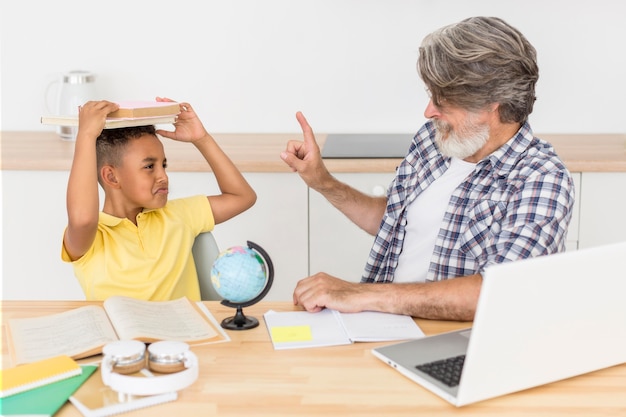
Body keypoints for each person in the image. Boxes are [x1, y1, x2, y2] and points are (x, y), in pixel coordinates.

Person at [280, 16, 575, 321]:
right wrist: (322, 181)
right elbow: (395, 222)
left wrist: (360, 293)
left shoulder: (541, 178)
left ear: (492, 104)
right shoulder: (435, 139)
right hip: (383, 322)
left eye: (443, 100)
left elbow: (500, 291)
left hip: (458, 343)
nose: (429, 110)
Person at [62, 98, 256, 301]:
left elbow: (242, 196)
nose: (163, 176)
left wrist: (202, 139)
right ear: (111, 177)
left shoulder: (179, 215)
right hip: (121, 334)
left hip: (184, 331)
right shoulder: (92, 237)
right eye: (149, 167)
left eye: (164, 165)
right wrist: (86, 135)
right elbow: (83, 219)